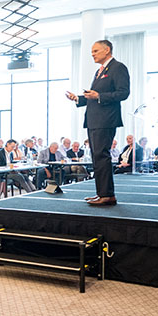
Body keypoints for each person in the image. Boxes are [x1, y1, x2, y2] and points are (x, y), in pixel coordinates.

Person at [66, 39, 130, 205]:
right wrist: (78, 98)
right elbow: (93, 96)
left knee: (102, 156)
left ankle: (107, 195)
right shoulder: (99, 71)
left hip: (106, 119)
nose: (92, 54)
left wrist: (99, 96)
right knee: (97, 158)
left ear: (107, 50)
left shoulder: (118, 67)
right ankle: (102, 193)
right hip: (94, 120)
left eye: (95, 51)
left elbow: (123, 93)